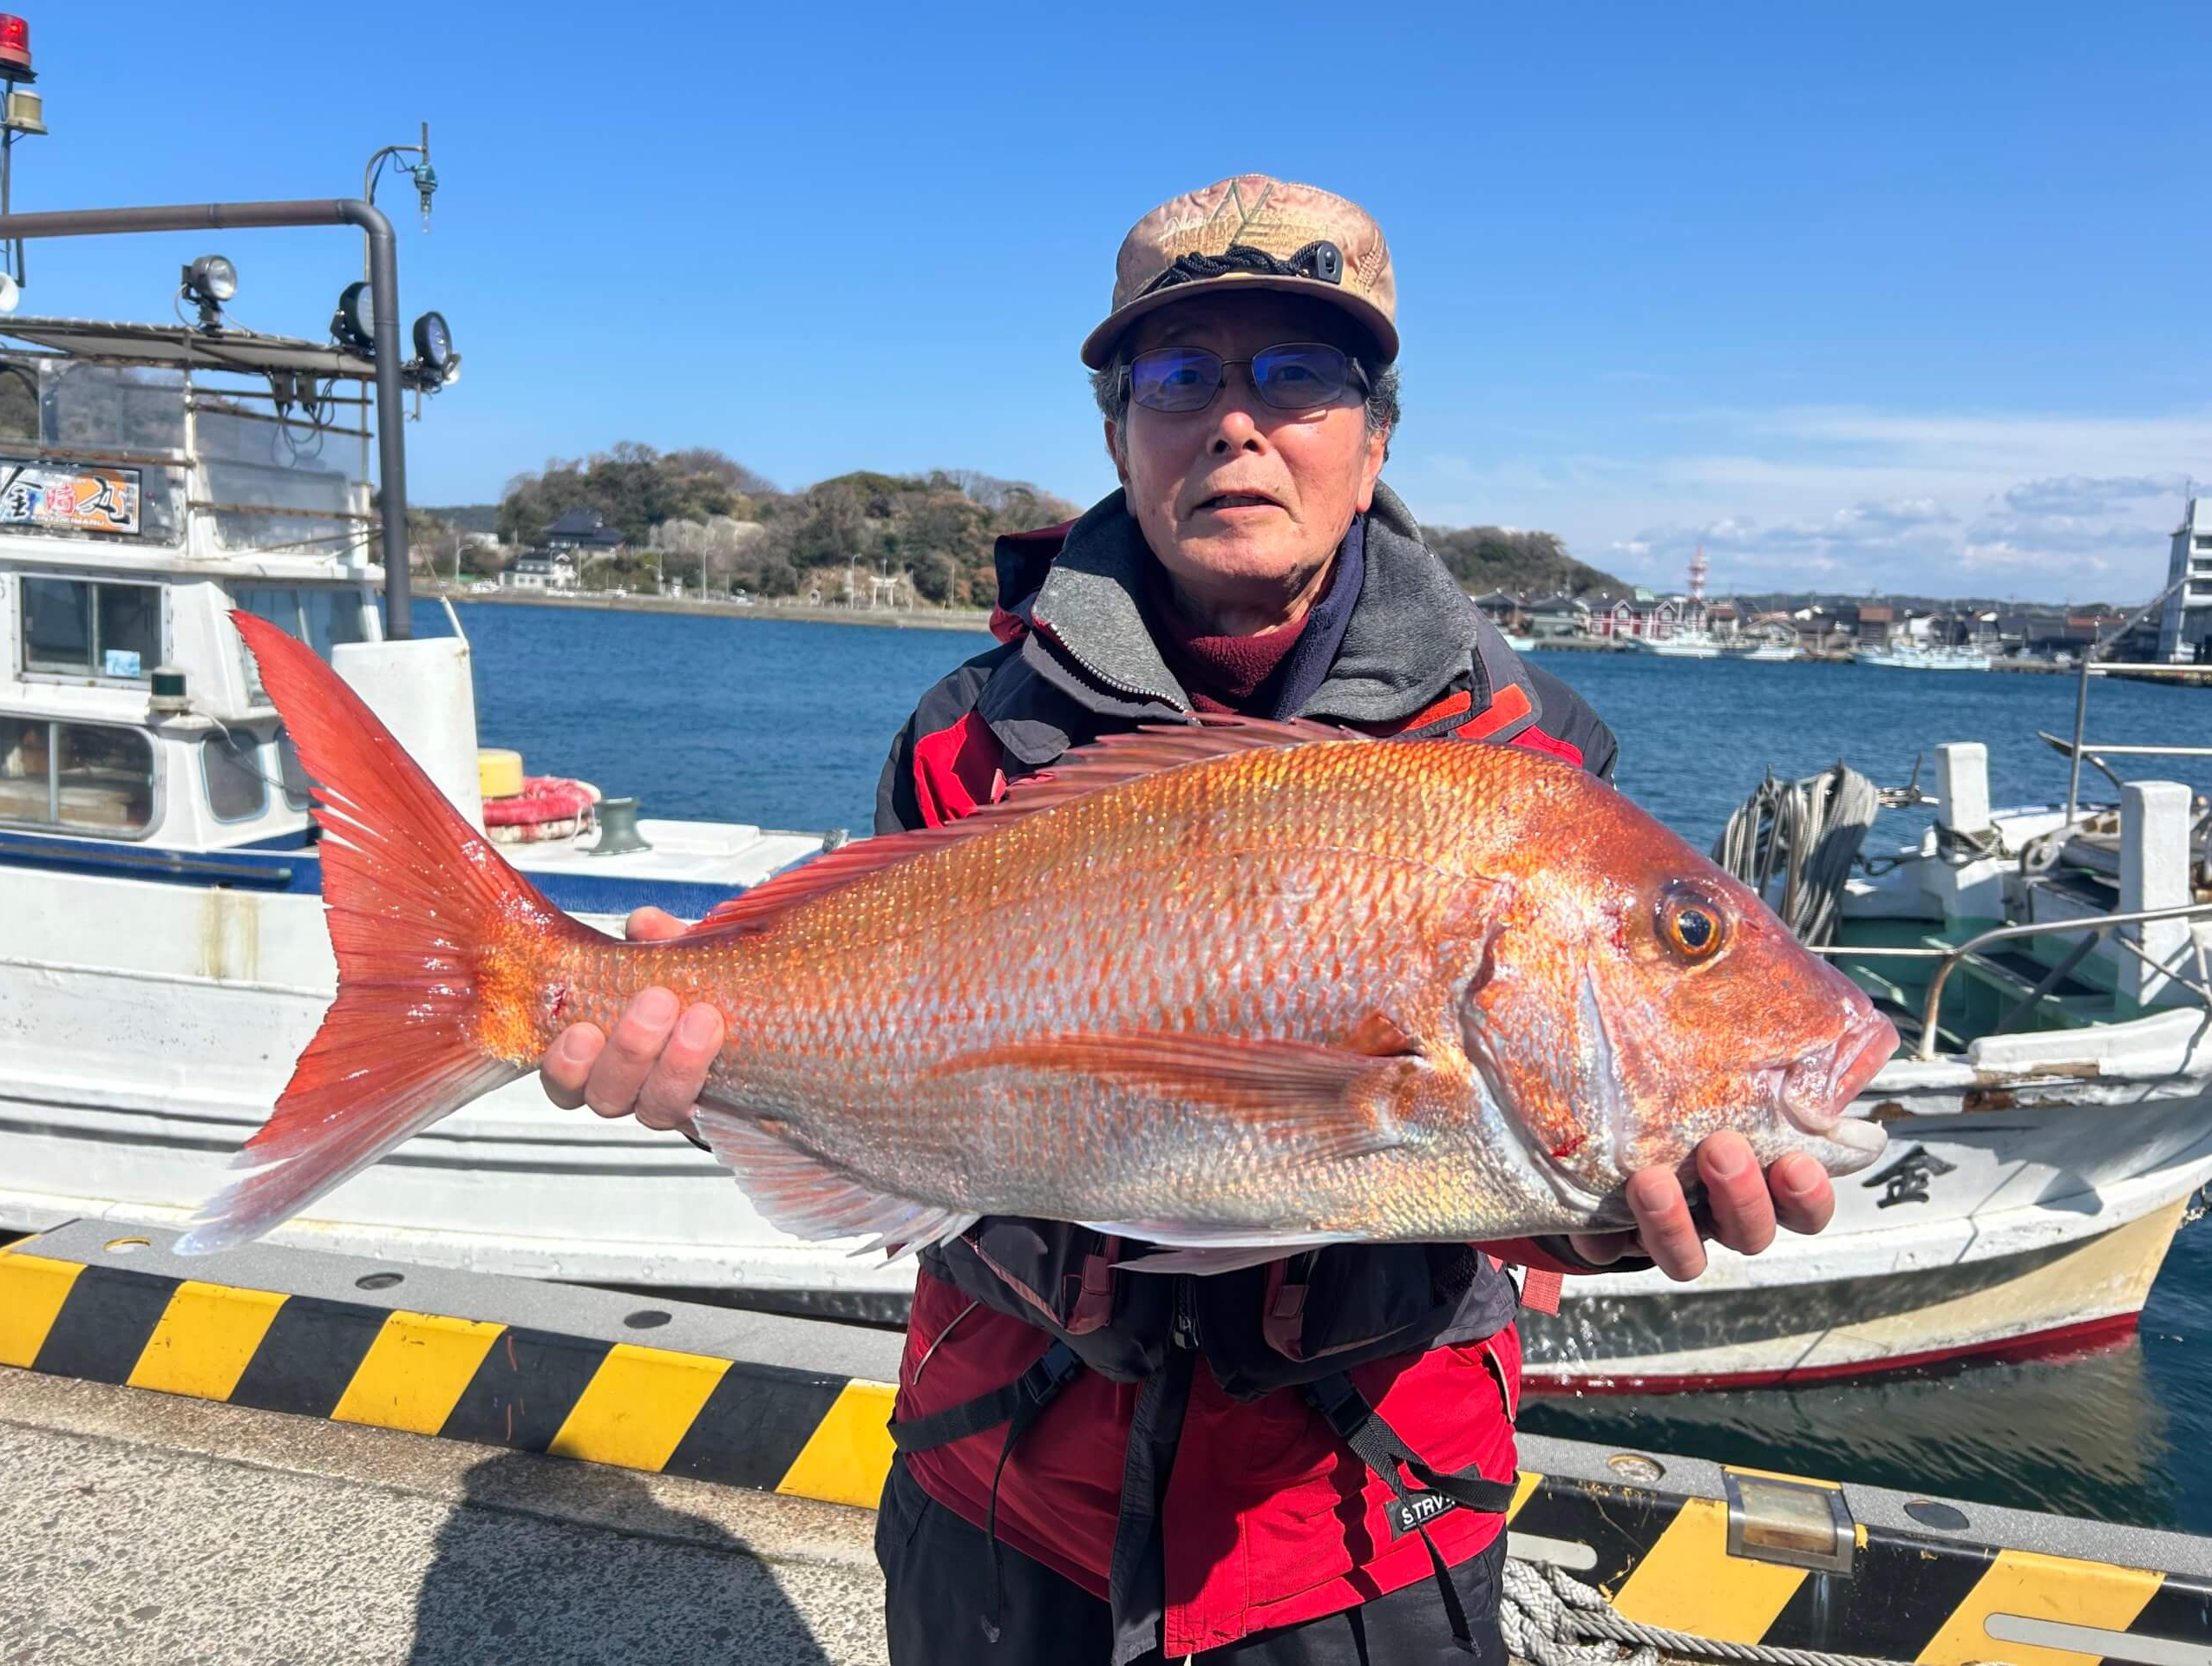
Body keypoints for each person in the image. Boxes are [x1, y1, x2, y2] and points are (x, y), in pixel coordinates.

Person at [540, 174, 1836, 1665]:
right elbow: (881, 1066)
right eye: (1177, 378)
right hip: (998, 1492)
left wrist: (1615, 1212)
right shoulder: (962, 735)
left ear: (1375, 436)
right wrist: (698, 1064)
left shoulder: (1531, 758)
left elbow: (1507, 1176)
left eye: (1298, 374)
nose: (1235, 422)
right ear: (1117, 433)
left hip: (1365, 1532)